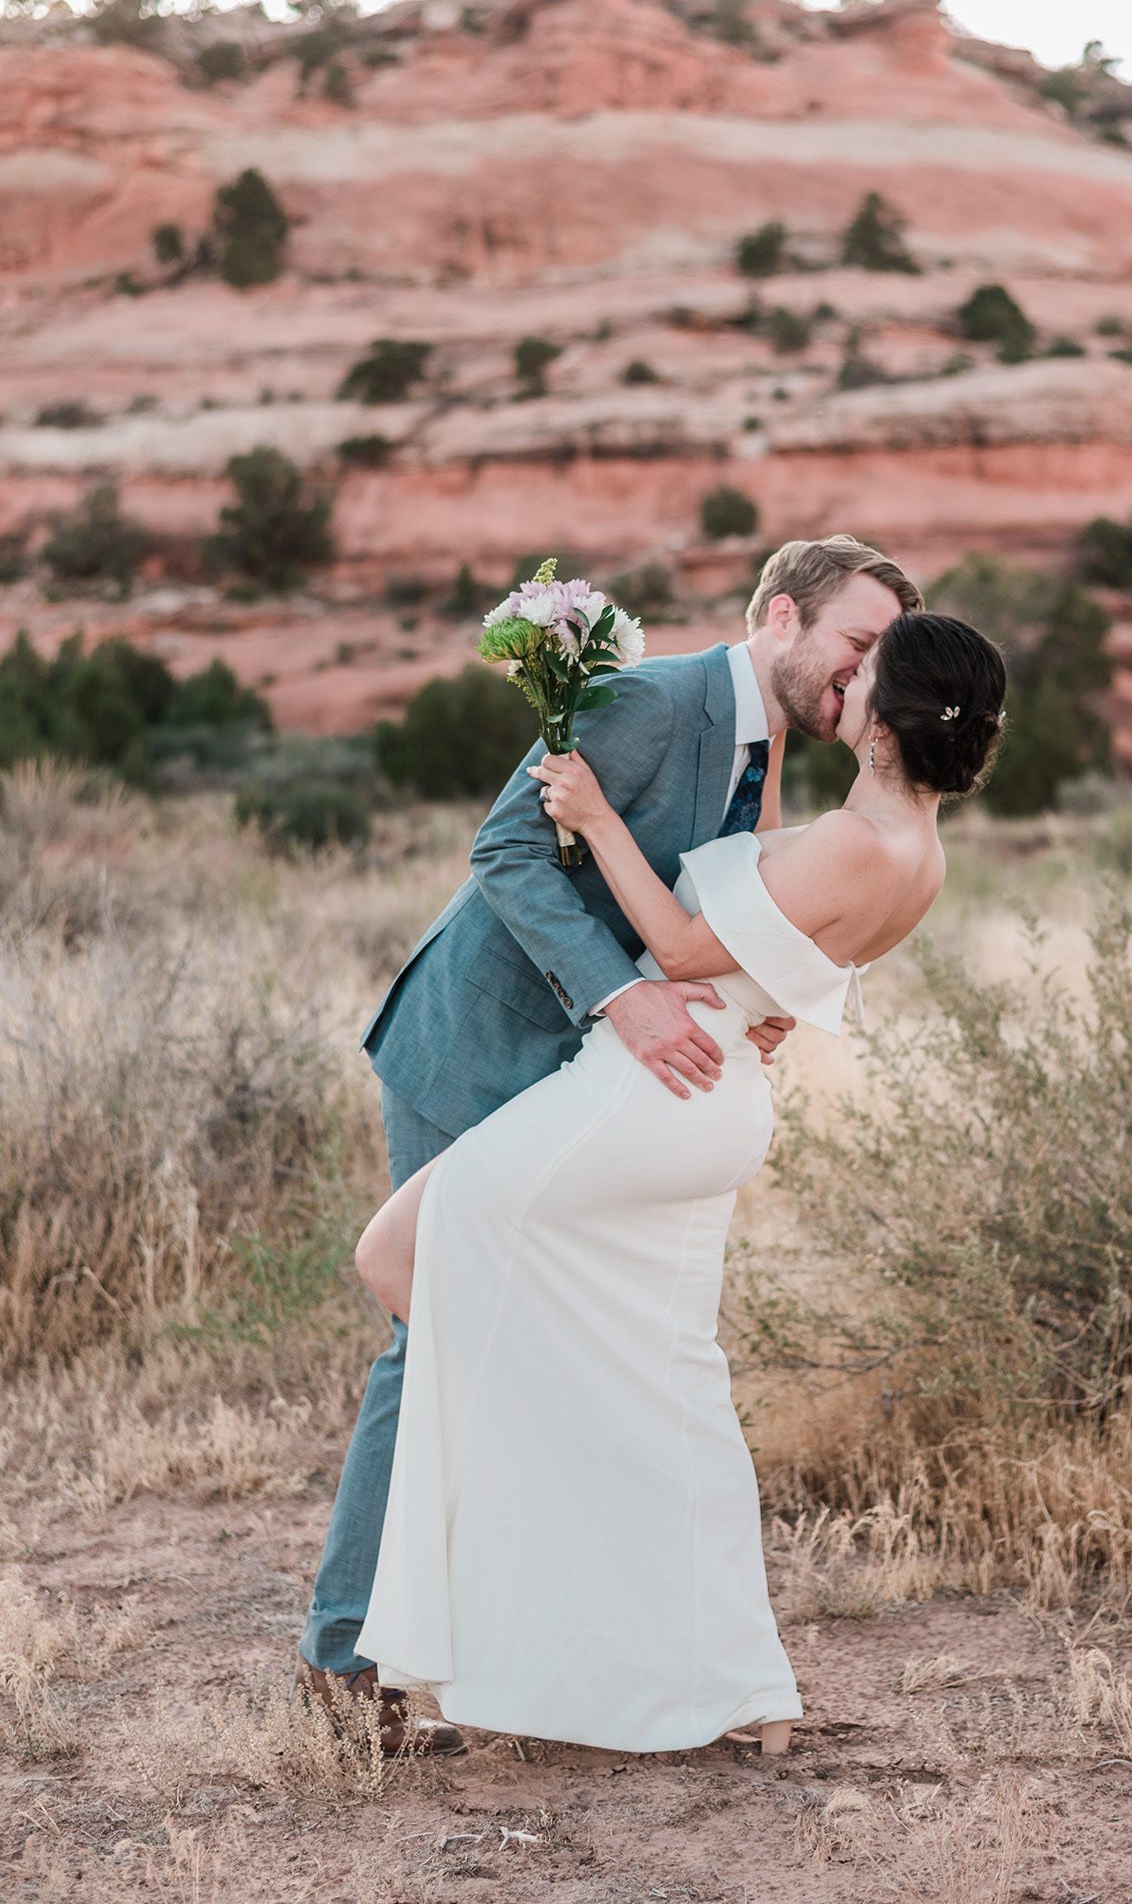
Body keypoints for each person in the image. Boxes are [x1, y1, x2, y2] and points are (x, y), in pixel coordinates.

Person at [295, 536, 923, 1754]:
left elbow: (713, 914)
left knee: (567, 1351)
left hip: (595, 1092)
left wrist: (756, 994)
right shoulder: (646, 701)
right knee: (428, 1330)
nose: (865, 676)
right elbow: (507, 851)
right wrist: (620, 998)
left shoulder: (772, 749)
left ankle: (528, 1650)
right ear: (784, 620)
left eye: (884, 658)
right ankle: (341, 1665)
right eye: (856, 644)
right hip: (481, 1050)